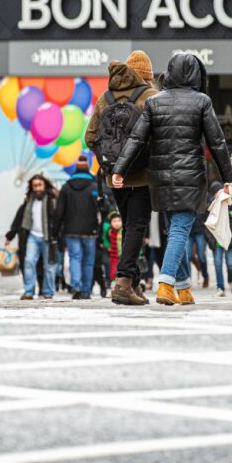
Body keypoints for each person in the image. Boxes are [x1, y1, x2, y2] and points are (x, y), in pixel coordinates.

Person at [113, 53, 232, 306]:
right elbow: (217, 142)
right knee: (180, 229)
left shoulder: (155, 102)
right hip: (189, 177)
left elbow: (137, 139)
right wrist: (228, 177)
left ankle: (183, 288)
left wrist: (120, 169)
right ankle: (166, 285)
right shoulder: (201, 101)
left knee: (173, 231)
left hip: (159, 179)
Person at [86, 50, 159, 306]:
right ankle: (124, 282)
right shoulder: (151, 97)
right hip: (141, 175)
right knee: (137, 226)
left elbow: (90, 137)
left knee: (129, 226)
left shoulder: (105, 98)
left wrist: (109, 163)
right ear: (147, 75)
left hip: (113, 177)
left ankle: (134, 284)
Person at [5, 174, 58, 300]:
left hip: (48, 237)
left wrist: (59, 237)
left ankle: (48, 292)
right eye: (35, 186)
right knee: (28, 262)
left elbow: (59, 220)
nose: (37, 188)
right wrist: (10, 236)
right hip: (32, 236)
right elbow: (19, 219)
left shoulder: (52, 201)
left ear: (45, 186)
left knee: (49, 266)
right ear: (31, 187)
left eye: (40, 185)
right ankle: (29, 292)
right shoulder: (28, 201)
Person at [54, 155, 98, 300]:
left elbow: (59, 211)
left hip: (71, 229)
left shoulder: (66, 187)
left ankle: (76, 286)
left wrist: (55, 231)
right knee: (88, 261)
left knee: (74, 258)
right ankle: (86, 290)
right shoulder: (94, 186)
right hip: (90, 229)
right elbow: (102, 208)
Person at [105, 211, 123, 283]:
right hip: (113, 255)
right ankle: (114, 283)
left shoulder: (123, 231)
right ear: (111, 223)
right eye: (114, 221)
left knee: (122, 270)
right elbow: (105, 239)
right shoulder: (109, 231)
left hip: (122, 255)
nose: (117, 223)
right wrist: (108, 246)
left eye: (119, 221)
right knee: (113, 270)